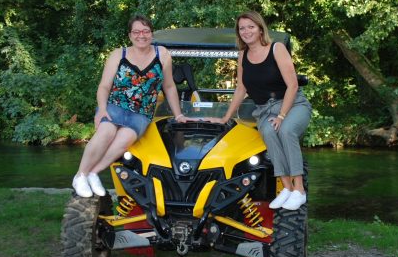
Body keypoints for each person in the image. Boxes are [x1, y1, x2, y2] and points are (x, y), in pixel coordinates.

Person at [72, 15, 189, 197]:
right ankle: (81, 175)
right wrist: (102, 109)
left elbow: (169, 86)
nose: (141, 35)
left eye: (145, 31)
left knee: (123, 141)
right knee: (106, 132)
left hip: (141, 113)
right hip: (115, 106)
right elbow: (104, 86)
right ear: (130, 35)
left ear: (151, 33)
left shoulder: (162, 54)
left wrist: (179, 115)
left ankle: (94, 172)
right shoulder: (119, 54)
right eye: (136, 31)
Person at [209, 11, 312, 210]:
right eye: (242, 28)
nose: (246, 31)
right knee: (268, 133)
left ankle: (299, 190)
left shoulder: (276, 48)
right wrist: (225, 117)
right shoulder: (242, 55)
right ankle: (287, 188)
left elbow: (292, 85)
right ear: (239, 33)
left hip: (292, 104)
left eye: (250, 27)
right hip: (265, 109)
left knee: (285, 131)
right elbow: (241, 88)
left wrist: (282, 115)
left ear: (260, 28)